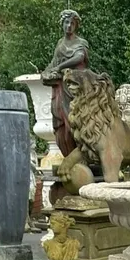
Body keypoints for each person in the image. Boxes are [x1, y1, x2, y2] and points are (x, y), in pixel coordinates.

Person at [40, 9, 91, 157]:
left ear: (76, 26)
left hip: (75, 87)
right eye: (66, 22)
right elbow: (53, 63)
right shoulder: (60, 43)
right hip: (59, 88)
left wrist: (59, 67)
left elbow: (79, 58)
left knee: (76, 121)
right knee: (60, 122)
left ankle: (83, 154)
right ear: (62, 24)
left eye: (72, 23)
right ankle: (68, 155)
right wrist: (47, 72)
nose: (69, 26)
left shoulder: (81, 43)